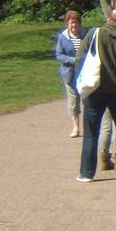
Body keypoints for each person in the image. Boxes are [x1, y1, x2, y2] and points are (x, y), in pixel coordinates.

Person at [73, 7, 116, 182]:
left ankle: (86, 173)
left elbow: (80, 57)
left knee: (91, 133)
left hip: (94, 90)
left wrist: (80, 80)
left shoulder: (95, 33)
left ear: (109, 19)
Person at [53, 9, 84, 137]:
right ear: (67, 23)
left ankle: (90, 127)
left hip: (85, 74)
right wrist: (73, 60)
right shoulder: (63, 38)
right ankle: (76, 128)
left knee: (89, 101)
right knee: (73, 101)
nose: (74, 25)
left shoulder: (85, 35)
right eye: (71, 23)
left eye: (76, 23)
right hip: (70, 74)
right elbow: (59, 55)